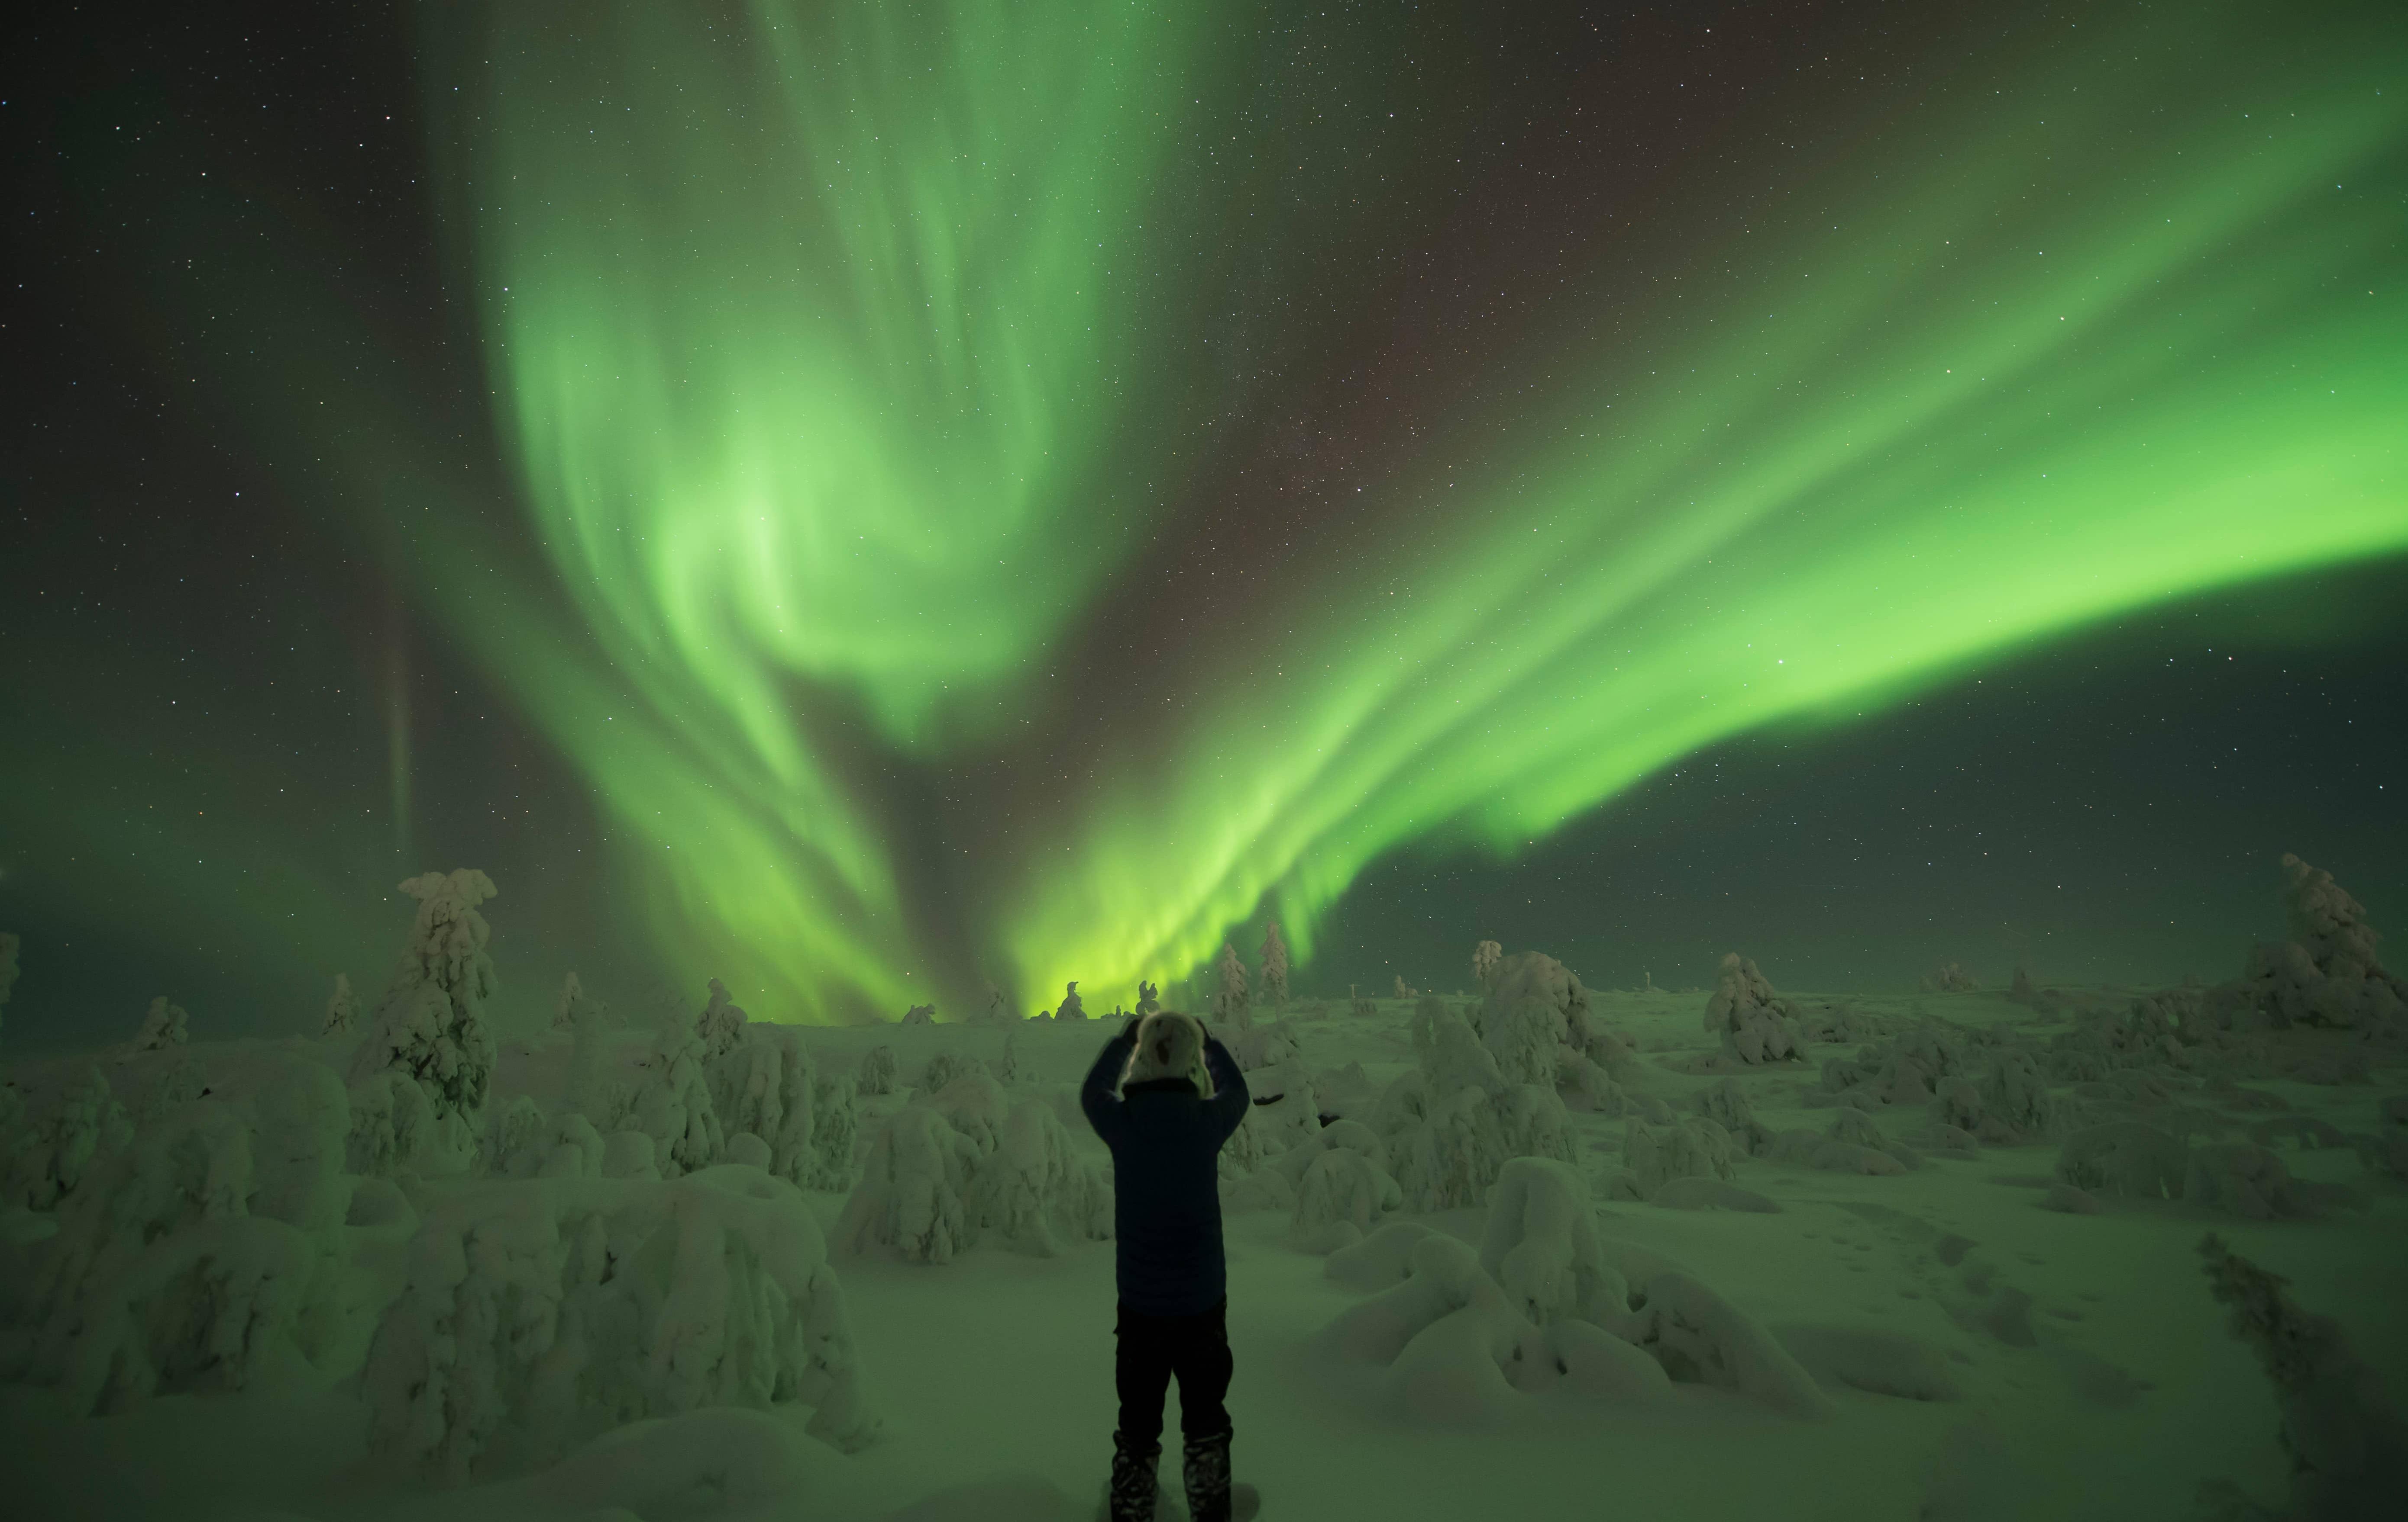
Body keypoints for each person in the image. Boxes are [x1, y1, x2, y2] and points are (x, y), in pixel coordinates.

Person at [1080, 1009, 1257, 1522]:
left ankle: (1131, 1511)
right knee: (1206, 1423)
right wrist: (1213, 1042)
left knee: (1137, 1428)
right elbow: (1238, 1094)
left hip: (1139, 1310)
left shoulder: (1123, 1124)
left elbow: (1093, 1093)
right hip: (1203, 1307)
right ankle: (1210, 1510)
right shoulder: (1205, 1123)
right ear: (1189, 1062)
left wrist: (1121, 1041)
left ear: (1141, 1060)